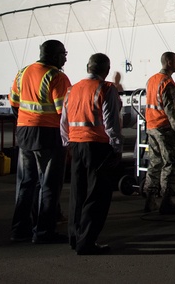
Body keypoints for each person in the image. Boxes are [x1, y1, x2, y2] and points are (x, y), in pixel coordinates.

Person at [9, 39, 71, 244]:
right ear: (54, 55)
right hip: (48, 134)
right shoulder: (57, 76)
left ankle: (19, 230)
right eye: (63, 53)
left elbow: (14, 102)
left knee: (26, 183)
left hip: (24, 132)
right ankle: (44, 231)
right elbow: (64, 113)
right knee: (49, 184)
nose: (65, 57)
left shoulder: (23, 72)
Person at [61, 53, 122, 255]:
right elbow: (111, 123)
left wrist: (67, 144)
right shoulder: (106, 89)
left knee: (77, 193)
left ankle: (75, 236)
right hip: (97, 146)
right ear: (106, 70)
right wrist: (116, 148)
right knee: (97, 196)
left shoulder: (72, 89)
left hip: (76, 144)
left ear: (88, 67)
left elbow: (64, 122)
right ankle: (87, 242)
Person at [142, 51, 175, 214]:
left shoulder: (152, 80)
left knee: (154, 163)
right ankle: (166, 201)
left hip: (152, 127)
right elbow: (172, 112)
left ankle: (150, 199)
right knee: (171, 163)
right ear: (169, 62)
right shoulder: (166, 83)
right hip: (165, 128)